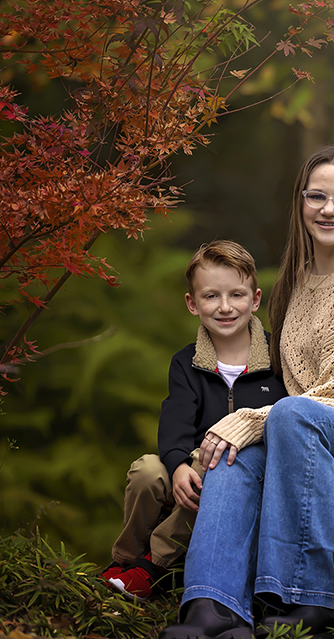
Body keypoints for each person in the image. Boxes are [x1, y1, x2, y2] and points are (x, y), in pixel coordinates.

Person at [159, 145, 334, 639]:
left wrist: (248, 418)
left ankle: (306, 600)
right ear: (301, 203)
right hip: (310, 444)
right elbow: (293, 388)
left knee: (283, 418)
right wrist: (234, 432)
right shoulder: (299, 281)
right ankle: (212, 609)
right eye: (317, 196)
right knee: (232, 454)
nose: (329, 209)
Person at [103, 240, 287, 599]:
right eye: (211, 296)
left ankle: (153, 566)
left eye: (236, 295)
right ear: (192, 303)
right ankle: (123, 560)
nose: (225, 307)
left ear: (255, 299)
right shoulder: (186, 363)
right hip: (191, 461)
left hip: (244, 470)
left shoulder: (278, 359)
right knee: (146, 471)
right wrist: (175, 466)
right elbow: (175, 421)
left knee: (210, 468)